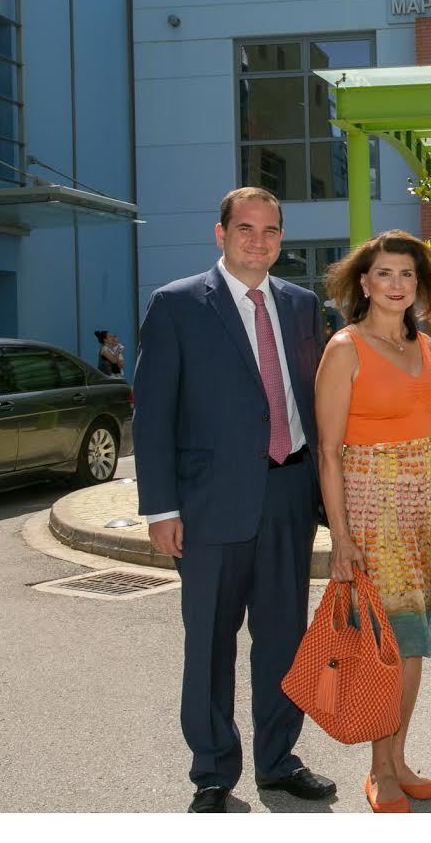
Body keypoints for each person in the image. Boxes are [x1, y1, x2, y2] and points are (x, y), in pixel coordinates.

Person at [133, 186, 336, 813]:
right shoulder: (176, 304)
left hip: (289, 494)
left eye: (270, 230)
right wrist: (161, 509)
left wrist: (328, 498)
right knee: (210, 645)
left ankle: (278, 761)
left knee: (283, 639)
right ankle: (213, 772)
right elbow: (152, 415)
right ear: (220, 234)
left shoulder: (302, 306)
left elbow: (316, 402)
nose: (258, 241)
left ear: (282, 238)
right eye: (245, 228)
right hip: (208, 506)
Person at [315, 230, 431, 813]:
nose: (396, 285)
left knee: (412, 641)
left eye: (407, 274)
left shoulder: (423, 343)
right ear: (364, 283)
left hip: (426, 506)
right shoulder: (345, 348)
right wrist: (341, 537)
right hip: (373, 508)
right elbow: (329, 452)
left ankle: (398, 759)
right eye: (385, 274)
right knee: (386, 644)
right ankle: (379, 770)